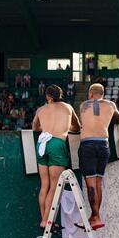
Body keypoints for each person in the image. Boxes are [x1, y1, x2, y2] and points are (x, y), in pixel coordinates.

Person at [32, 85, 81, 228]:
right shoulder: (67, 107)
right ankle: (47, 221)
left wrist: (47, 127)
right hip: (57, 144)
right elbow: (77, 127)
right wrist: (65, 127)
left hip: (42, 143)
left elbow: (35, 127)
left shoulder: (41, 109)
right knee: (54, 187)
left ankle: (44, 219)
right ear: (60, 95)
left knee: (44, 185)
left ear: (48, 96)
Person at [78, 84, 119, 230]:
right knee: (98, 182)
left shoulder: (84, 105)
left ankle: (95, 217)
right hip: (103, 144)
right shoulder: (110, 105)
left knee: (90, 183)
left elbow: (87, 119)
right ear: (103, 94)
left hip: (88, 144)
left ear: (90, 94)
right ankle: (96, 216)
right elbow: (118, 120)